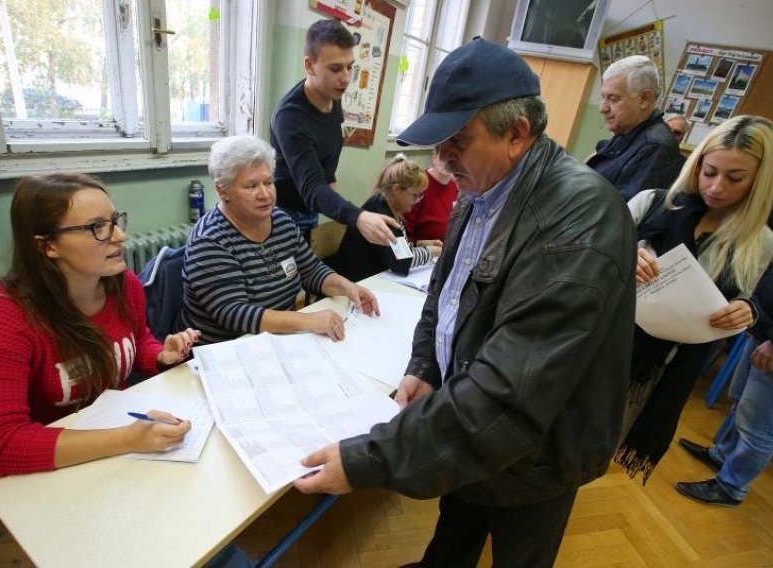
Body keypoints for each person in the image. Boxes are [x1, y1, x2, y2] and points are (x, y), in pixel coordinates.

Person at [292, 38, 636, 567]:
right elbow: (444, 294)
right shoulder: (481, 188)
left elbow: (508, 393)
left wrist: (366, 460)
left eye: (457, 141)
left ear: (517, 134)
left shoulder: (577, 222)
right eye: (438, 144)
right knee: (454, 534)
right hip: (472, 421)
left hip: (538, 451)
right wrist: (426, 363)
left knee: (520, 554)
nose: (442, 161)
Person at [0, 173, 200, 478]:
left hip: (113, 441)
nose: (120, 236)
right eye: (98, 227)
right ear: (48, 246)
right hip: (45, 466)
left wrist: (160, 354)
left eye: (115, 220)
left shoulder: (123, 284)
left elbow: (137, 338)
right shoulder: (0, 317)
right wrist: (126, 439)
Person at [615, 115, 773, 483]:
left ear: (759, 182)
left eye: (735, 178)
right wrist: (621, 254)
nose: (716, 187)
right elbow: (586, 257)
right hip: (603, 348)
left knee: (601, 447)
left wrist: (745, 312)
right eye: (709, 171)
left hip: (656, 371)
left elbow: (749, 301)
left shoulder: (760, 243)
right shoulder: (653, 203)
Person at [177, 135, 380, 345]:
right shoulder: (209, 240)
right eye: (251, 186)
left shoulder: (280, 220)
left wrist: (349, 288)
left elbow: (311, 270)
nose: (265, 194)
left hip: (278, 340)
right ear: (223, 191)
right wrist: (308, 320)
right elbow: (236, 315)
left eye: (268, 182)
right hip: (226, 349)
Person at [269, 18, 399, 246]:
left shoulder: (331, 95)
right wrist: (357, 217)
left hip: (311, 210)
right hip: (284, 218)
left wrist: (340, 211)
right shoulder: (290, 117)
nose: (346, 78)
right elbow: (311, 187)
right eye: (336, 68)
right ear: (309, 66)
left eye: (350, 67)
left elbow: (325, 171)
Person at [676, 263, 773, 507]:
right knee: (741, 403)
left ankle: (731, 488)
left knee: (759, 428)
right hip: (762, 329)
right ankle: (722, 456)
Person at [587, 55, 684, 201]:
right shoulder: (627, 132)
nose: (602, 108)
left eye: (613, 99)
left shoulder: (655, 148)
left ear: (644, 99)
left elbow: (620, 213)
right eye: (603, 98)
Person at [330, 154, 441, 282]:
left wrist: (418, 244)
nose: (417, 201)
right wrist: (432, 251)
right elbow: (402, 262)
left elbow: (395, 248)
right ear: (397, 189)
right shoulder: (378, 212)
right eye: (415, 195)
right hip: (355, 283)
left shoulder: (389, 207)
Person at [402, 149, 459, 243]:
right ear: (434, 157)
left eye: (453, 158)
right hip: (423, 253)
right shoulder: (418, 185)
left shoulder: (459, 186)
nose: (448, 162)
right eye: (444, 156)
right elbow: (404, 238)